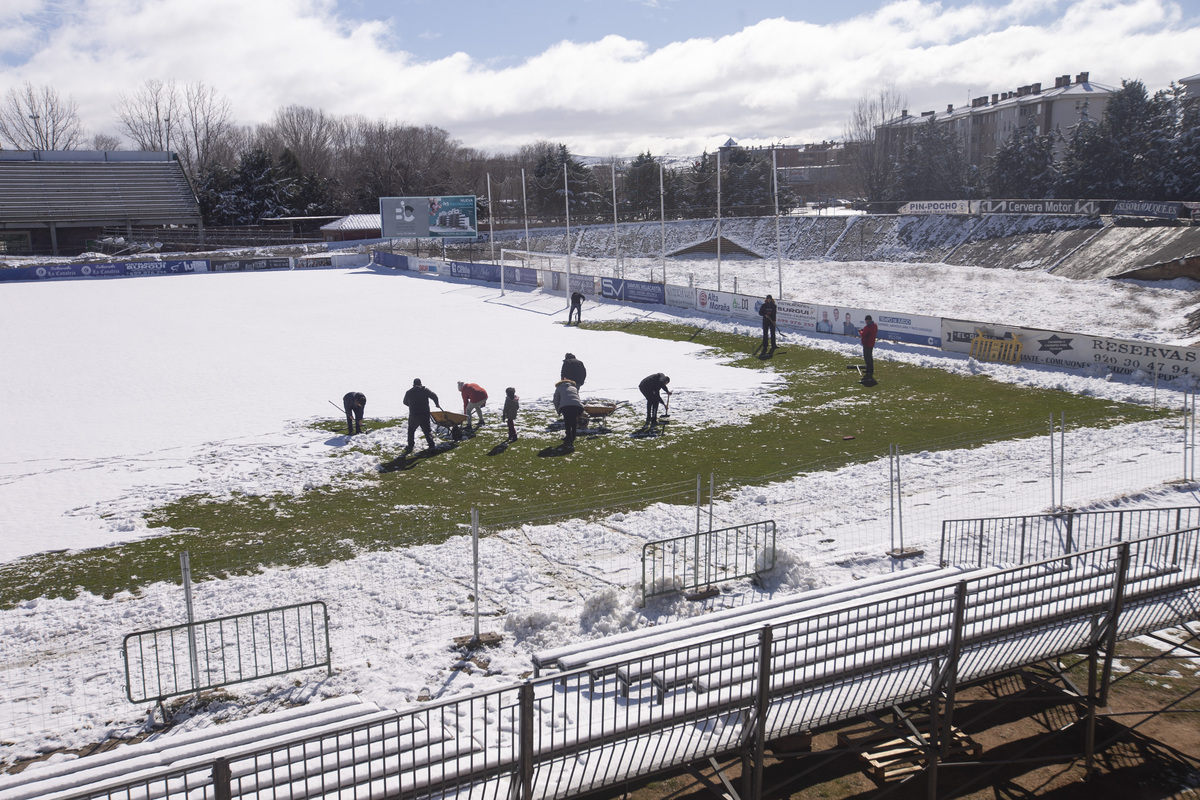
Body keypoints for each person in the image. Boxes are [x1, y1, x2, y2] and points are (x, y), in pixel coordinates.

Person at [402, 378, 440, 453]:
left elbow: (404, 402)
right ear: (420, 384)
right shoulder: (425, 390)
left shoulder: (409, 392)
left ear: (413, 384)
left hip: (414, 415)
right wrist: (437, 404)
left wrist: (411, 406)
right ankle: (432, 446)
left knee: (411, 430)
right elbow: (434, 395)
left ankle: (410, 446)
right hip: (425, 414)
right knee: (427, 431)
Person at [553, 378, 584, 445]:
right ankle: (573, 435)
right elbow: (577, 397)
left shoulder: (559, 388)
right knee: (573, 420)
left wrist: (558, 409)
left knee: (567, 421)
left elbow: (556, 400)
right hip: (576, 406)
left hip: (566, 406)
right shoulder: (574, 387)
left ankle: (568, 435)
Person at [859, 314, 879, 382]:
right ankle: (870, 370)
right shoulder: (874, 326)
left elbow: (863, 334)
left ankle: (869, 370)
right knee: (869, 357)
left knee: (867, 357)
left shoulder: (868, 327)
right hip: (871, 343)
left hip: (867, 343)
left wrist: (860, 331)